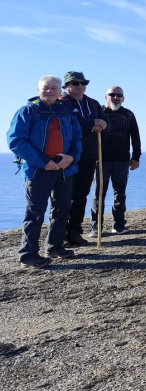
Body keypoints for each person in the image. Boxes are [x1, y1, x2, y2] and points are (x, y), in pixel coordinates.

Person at [7, 76, 82, 267]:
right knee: (35, 213)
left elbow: (77, 139)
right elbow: (16, 141)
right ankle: (28, 254)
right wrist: (43, 162)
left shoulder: (67, 111)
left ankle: (54, 247)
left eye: (53, 88)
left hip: (65, 169)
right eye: (45, 88)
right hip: (38, 171)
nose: (49, 91)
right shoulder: (27, 112)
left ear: (59, 91)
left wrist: (71, 158)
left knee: (62, 209)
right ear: (38, 90)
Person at [60, 71, 107, 245]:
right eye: (75, 83)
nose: (79, 86)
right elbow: (70, 123)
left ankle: (74, 231)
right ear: (66, 86)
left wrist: (100, 124)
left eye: (82, 83)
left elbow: (104, 123)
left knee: (81, 195)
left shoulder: (93, 103)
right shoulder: (61, 102)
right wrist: (92, 123)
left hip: (89, 156)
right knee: (64, 196)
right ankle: (60, 233)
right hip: (68, 157)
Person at [89, 86, 141, 236]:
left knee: (120, 193)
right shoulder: (98, 113)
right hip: (101, 160)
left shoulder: (128, 114)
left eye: (119, 95)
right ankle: (96, 227)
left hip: (121, 161)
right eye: (112, 94)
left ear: (123, 98)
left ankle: (118, 224)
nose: (115, 97)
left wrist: (136, 157)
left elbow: (135, 137)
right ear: (106, 97)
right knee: (99, 193)